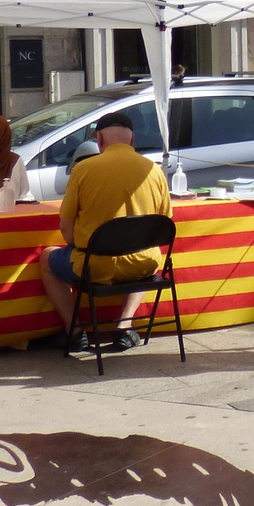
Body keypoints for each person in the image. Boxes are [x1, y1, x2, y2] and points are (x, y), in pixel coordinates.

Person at [39, 110, 173, 352]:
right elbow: (163, 222)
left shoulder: (83, 169)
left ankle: (75, 331)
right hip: (143, 265)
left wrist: (77, 243)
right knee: (145, 251)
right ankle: (124, 325)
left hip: (94, 266)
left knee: (47, 257)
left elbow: (66, 226)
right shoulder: (153, 171)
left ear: (98, 140)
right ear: (132, 140)